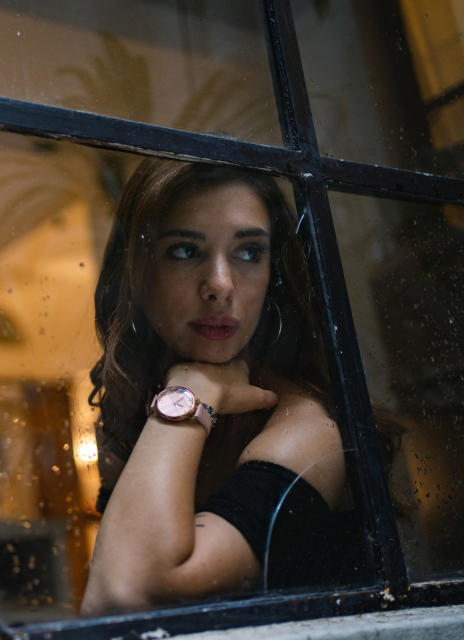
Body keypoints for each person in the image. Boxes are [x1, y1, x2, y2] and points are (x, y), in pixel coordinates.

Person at [80, 158, 364, 615]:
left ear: (274, 274)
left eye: (249, 252)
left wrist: (191, 392)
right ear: (139, 273)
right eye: (184, 251)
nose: (220, 285)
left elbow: (125, 594)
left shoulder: (306, 431)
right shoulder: (130, 418)